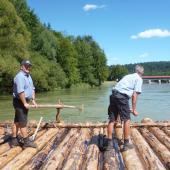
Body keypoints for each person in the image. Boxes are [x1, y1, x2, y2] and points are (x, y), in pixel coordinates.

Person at [106, 65, 144, 151]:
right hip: (121, 97)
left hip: (113, 95)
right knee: (127, 119)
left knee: (112, 119)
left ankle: (109, 144)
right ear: (141, 72)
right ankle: (126, 143)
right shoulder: (139, 79)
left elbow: (119, 90)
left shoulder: (128, 76)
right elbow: (135, 95)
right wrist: (134, 109)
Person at [11, 59, 38, 148]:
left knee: (17, 121)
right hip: (19, 101)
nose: (28, 67)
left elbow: (32, 88)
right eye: (26, 66)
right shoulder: (19, 77)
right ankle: (26, 142)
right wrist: (25, 103)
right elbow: (20, 92)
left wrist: (33, 100)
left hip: (24, 101)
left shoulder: (28, 76)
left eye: (29, 66)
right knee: (23, 122)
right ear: (21, 66)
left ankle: (14, 140)